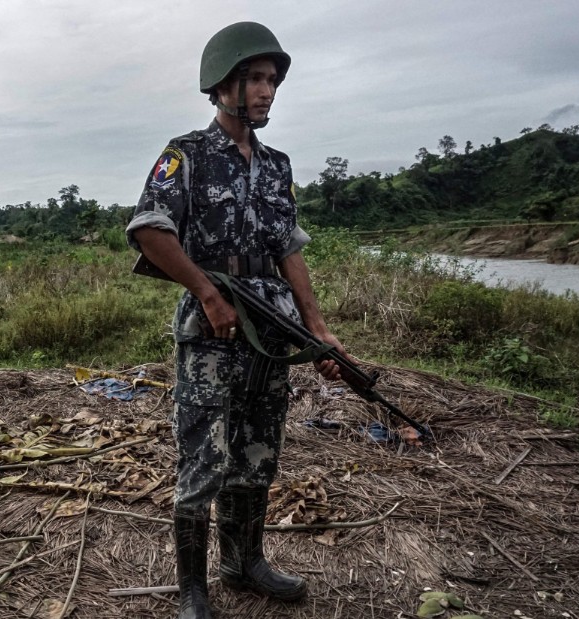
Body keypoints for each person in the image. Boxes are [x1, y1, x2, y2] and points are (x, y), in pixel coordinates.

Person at [126, 22, 351, 618]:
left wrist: (317, 326)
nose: (266, 90)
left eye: (272, 81)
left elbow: (289, 249)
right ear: (222, 83)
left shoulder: (276, 166)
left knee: (257, 450)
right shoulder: (187, 155)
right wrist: (206, 292)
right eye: (254, 79)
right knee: (206, 454)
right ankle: (193, 589)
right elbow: (150, 230)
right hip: (214, 328)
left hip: (270, 330)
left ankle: (244, 561)